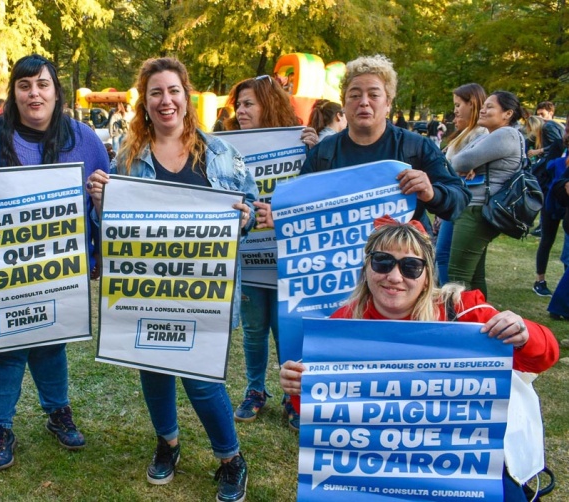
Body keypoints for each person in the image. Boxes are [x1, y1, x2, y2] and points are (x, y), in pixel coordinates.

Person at [279, 218, 558, 502]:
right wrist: (298, 386)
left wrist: (524, 334)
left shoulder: (462, 312)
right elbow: (323, 410)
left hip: (466, 463)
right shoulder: (345, 323)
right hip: (379, 462)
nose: (395, 277)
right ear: (366, 268)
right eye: (382, 262)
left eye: (410, 266)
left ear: (427, 275)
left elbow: (543, 357)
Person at [85, 57, 256, 502]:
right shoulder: (127, 154)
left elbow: (251, 206)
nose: (166, 101)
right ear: (146, 101)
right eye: (156, 92)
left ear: (186, 96)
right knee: (154, 369)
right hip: (146, 288)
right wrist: (103, 202)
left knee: (201, 378)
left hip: (203, 291)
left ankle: (231, 458)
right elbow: (114, 227)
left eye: (173, 91)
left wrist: (244, 216)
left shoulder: (219, 152)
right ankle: (168, 442)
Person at [0, 54, 109, 471]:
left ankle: (58, 412)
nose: (34, 93)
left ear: (56, 90)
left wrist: (95, 248)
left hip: (59, 267)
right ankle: (1, 427)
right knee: (6, 348)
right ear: (14, 93)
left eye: (42, 84)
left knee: (51, 339)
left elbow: (103, 199)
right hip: (3, 269)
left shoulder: (85, 139)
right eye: (25, 86)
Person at [294, 54, 470, 232]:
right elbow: (298, 204)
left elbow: (460, 198)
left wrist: (432, 193)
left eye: (374, 95)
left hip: (400, 257)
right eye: (354, 95)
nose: (363, 102)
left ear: (388, 103)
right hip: (338, 257)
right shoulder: (324, 152)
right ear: (344, 105)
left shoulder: (416, 147)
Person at [221, 74, 302, 430]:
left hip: (289, 259)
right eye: (238, 104)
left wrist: (314, 145)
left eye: (248, 103)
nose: (240, 110)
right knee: (254, 329)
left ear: (269, 103)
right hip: (249, 256)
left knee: (286, 331)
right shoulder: (224, 148)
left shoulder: (302, 143)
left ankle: (293, 396)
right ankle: (255, 390)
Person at [448, 91, 527, 297]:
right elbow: (460, 158)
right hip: (479, 208)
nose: (483, 109)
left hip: (477, 209)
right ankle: (480, 320)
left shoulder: (505, 134)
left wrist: (470, 163)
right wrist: (470, 161)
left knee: (457, 276)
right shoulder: (495, 134)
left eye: (490, 107)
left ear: (507, 113)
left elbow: (458, 161)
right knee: (474, 276)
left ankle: (460, 324)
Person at [435, 83, 487, 285]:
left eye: (458, 105)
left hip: (465, 203)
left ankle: (451, 306)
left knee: (446, 257)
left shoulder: (480, 133)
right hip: (454, 201)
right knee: (466, 266)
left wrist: (473, 165)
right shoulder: (466, 133)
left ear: (472, 103)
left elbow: (464, 164)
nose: (455, 110)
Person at [533, 126, 569, 297]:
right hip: (552, 199)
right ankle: (540, 280)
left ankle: (565, 286)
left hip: (565, 201)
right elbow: (549, 167)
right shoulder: (558, 145)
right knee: (547, 239)